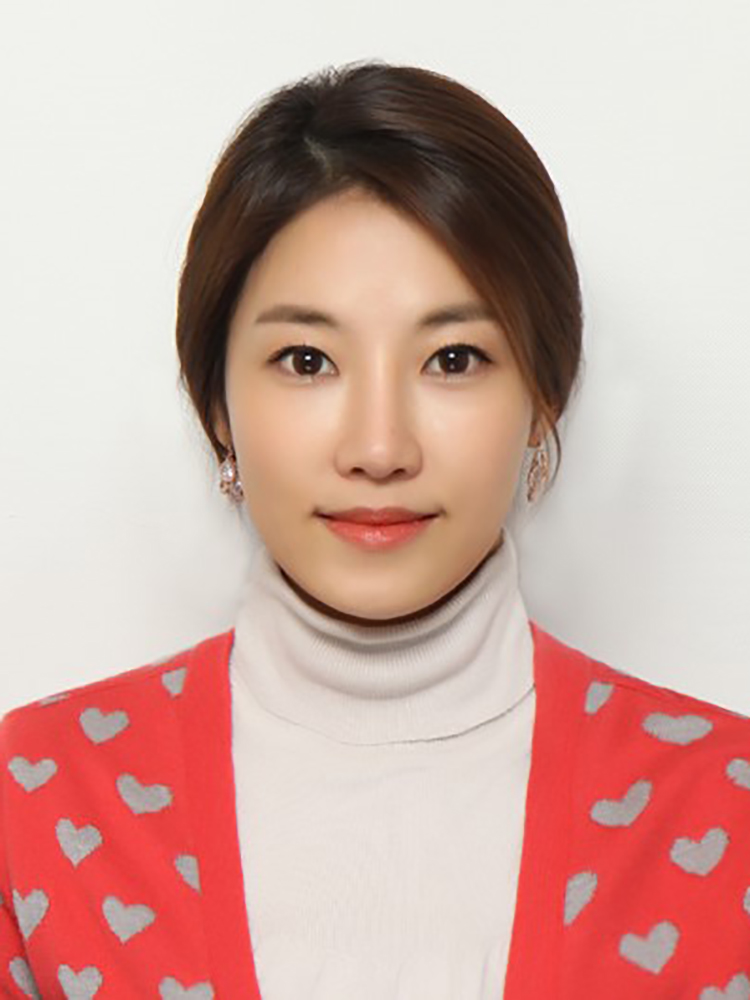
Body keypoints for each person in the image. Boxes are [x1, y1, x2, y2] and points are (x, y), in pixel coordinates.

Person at [1, 60, 749, 1000]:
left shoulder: (724, 806)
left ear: (543, 400)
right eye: (307, 360)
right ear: (218, 405)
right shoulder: (42, 799)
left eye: (454, 358)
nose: (380, 448)